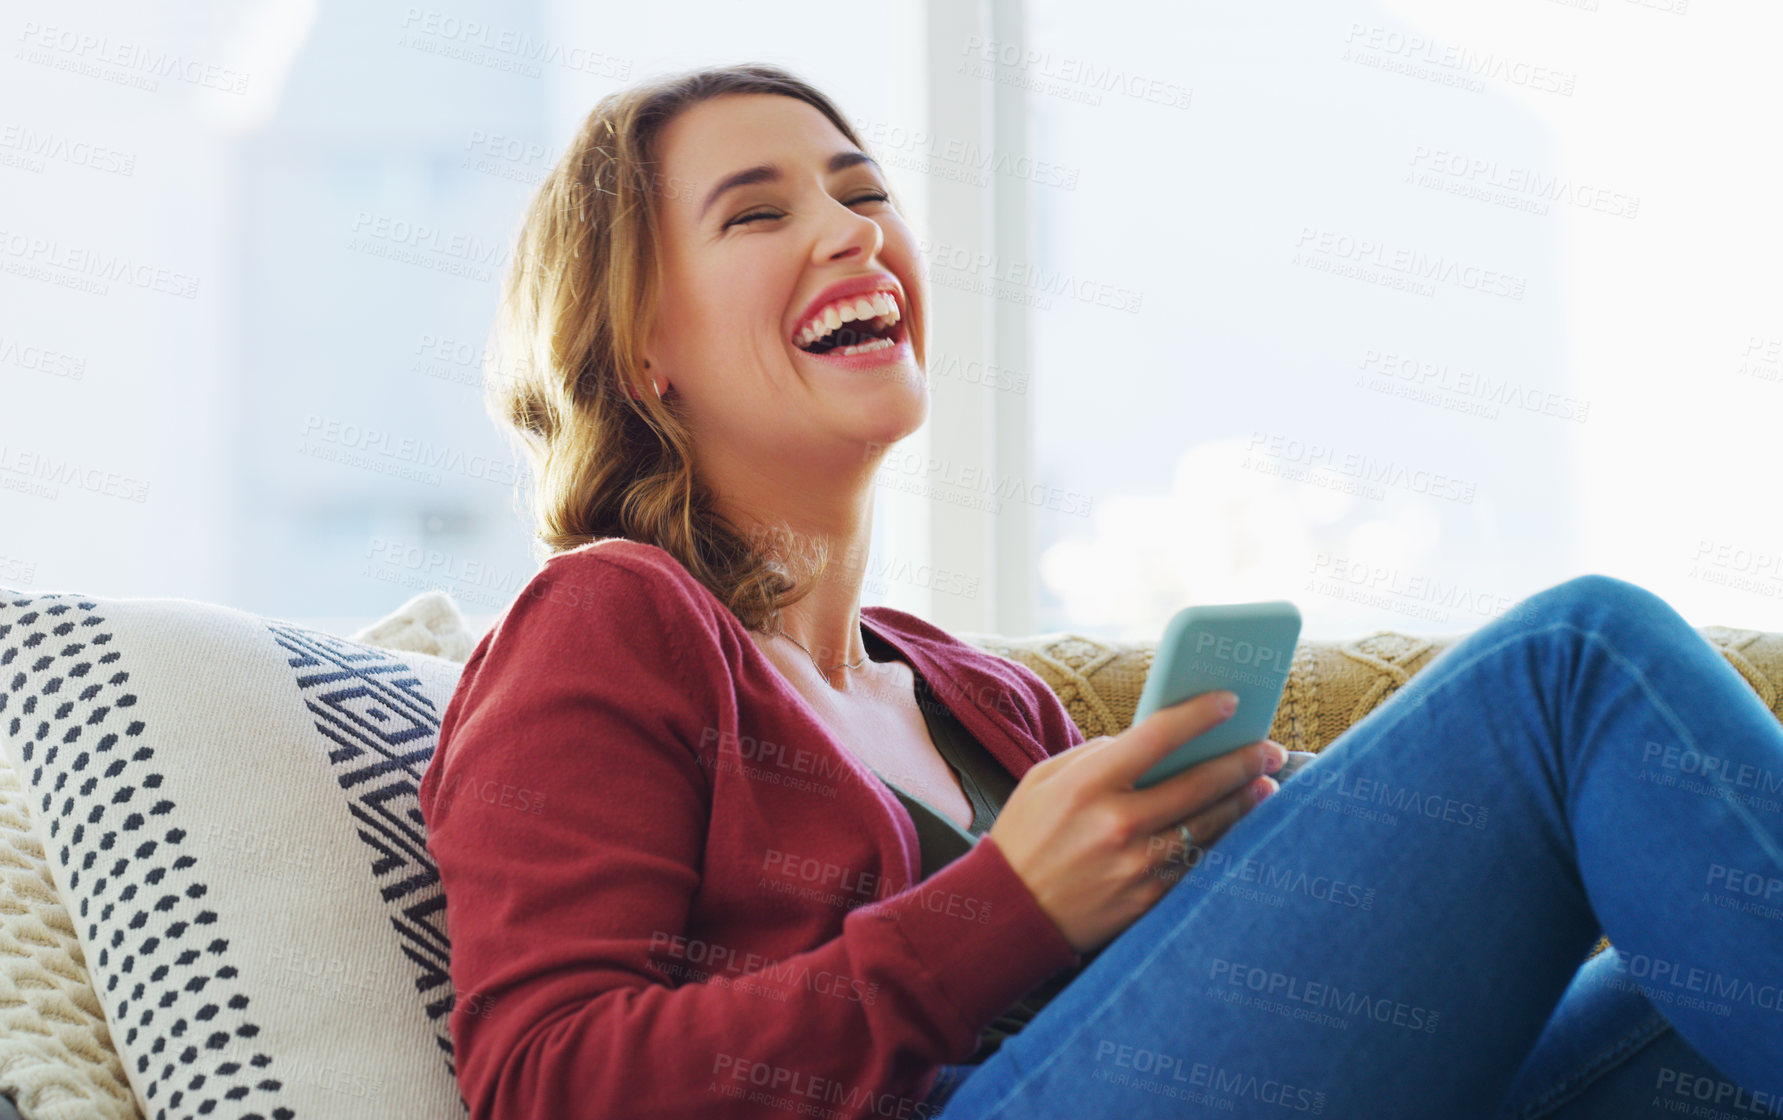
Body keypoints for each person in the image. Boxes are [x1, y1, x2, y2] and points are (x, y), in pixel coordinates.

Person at [416, 63, 1783, 1120]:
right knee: (1576, 665)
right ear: (643, 346)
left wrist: (1261, 838)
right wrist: (1007, 903)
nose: (850, 232)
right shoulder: (611, 619)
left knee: (1685, 1033)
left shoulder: (980, 698)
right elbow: (551, 1082)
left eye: (861, 191)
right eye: (759, 212)